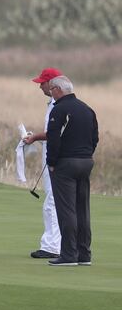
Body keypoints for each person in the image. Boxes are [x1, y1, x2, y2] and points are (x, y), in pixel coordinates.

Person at [45, 76, 98, 266]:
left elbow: (53, 138)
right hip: (85, 162)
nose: (51, 93)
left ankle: (68, 255)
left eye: (51, 90)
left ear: (58, 89)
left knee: (67, 210)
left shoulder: (59, 109)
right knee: (82, 209)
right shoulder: (87, 109)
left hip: (66, 164)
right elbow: (95, 137)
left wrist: (51, 162)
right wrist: (86, 155)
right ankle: (84, 254)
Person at [22, 67, 62, 258]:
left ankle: (52, 246)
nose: (40, 87)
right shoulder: (53, 103)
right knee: (54, 201)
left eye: (42, 83)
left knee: (52, 202)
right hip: (53, 156)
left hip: (56, 159)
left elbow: (54, 133)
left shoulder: (58, 105)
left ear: (52, 83)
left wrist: (35, 137)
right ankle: (59, 244)